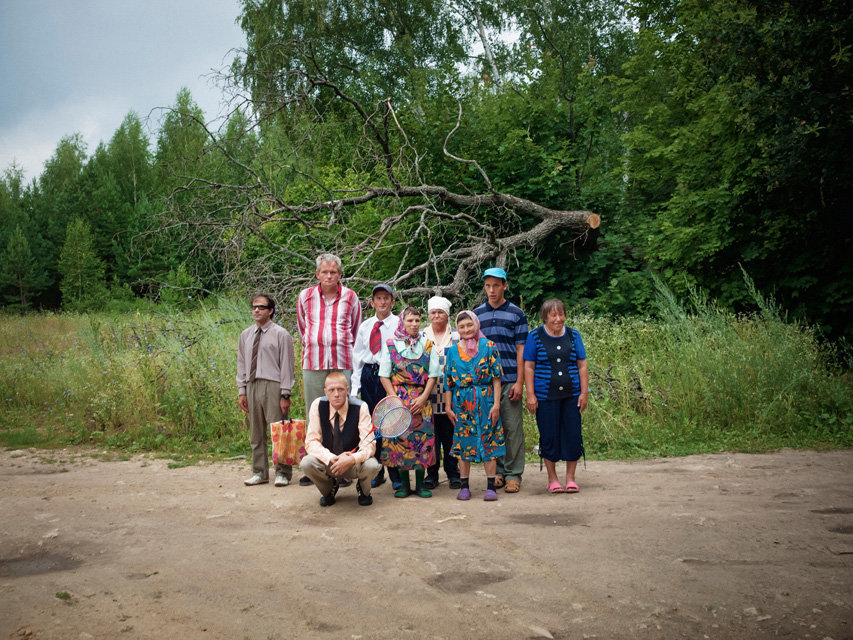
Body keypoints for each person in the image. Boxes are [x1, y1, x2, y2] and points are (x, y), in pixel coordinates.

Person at [296, 253, 362, 485]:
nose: (329, 276)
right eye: (324, 272)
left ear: (340, 274)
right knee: (315, 412)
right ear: (317, 274)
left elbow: (355, 329)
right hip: (313, 362)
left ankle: (341, 467)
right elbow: (303, 328)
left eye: (333, 272)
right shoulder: (305, 296)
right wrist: (318, 341)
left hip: (342, 361)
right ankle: (314, 466)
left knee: (343, 414)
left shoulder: (351, 297)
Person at [523, 298, 589, 493]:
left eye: (561, 314)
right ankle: (552, 479)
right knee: (549, 436)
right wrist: (531, 394)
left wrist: (584, 393)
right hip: (545, 396)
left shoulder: (573, 336)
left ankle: (570, 478)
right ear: (545, 317)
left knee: (573, 435)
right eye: (553, 315)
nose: (558, 319)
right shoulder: (534, 337)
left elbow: (582, 365)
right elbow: (529, 366)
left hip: (572, 395)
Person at [474, 267, 529, 493]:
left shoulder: (517, 314)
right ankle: (496, 471)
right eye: (488, 286)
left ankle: (514, 473)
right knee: (491, 427)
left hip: (509, 379)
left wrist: (520, 382)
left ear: (505, 285)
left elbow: (521, 350)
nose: (491, 290)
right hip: (486, 382)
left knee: (512, 427)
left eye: (496, 285)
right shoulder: (476, 314)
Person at [378, 306, 440, 498]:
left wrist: (423, 398)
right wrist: (395, 399)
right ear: (402, 322)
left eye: (417, 320)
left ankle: (421, 485)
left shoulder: (428, 345)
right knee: (400, 443)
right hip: (398, 402)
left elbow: (433, 376)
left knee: (421, 442)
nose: (414, 324)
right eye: (410, 320)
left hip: (422, 402)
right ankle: (404, 486)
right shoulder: (391, 345)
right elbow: (384, 376)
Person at [236, 293, 296, 487]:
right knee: (256, 432)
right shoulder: (245, 335)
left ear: (270, 311)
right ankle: (260, 472)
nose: (256, 310)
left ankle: (283, 473)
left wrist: (285, 393)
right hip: (252, 384)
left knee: (279, 430)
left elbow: (286, 365)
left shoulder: (281, 334)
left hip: (273, 385)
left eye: (261, 307)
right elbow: (242, 363)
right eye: (254, 307)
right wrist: (242, 390)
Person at [444, 311, 503, 501]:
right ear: (457, 330)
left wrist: (496, 405)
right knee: (464, 442)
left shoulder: (489, 346)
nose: (466, 329)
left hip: (486, 401)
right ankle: (464, 486)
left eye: (469, 325)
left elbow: (496, 379)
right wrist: (448, 407)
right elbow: (448, 383)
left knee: (489, 440)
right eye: (461, 327)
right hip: (463, 403)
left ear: (476, 325)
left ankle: (491, 486)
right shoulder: (452, 351)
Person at [300, 372, 381, 506]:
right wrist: (330, 458)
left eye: (340, 389)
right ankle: (329, 489)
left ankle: (364, 490)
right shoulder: (317, 405)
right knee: (306, 463)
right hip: (330, 462)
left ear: (347, 390)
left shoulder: (361, 407)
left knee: (372, 465)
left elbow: (369, 445)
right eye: (331, 390)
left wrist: (351, 459)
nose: (336, 394)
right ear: (325, 392)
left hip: (353, 462)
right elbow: (311, 442)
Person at [351, 283, 399, 488]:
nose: (382, 302)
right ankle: (377, 469)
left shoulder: (399, 324)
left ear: (392, 302)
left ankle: (397, 474)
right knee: (372, 424)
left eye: (386, 298)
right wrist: (355, 387)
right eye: (378, 298)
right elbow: (358, 358)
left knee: (392, 421)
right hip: (369, 375)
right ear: (372, 303)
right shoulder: (365, 326)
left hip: (389, 376)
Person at [422, 296, 461, 490]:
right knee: (431, 437)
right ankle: (432, 474)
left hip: (450, 396)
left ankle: (453, 473)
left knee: (450, 436)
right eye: (433, 312)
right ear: (429, 315)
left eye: (440, 312)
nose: (436, 316)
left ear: (447, 315)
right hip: (428, 397)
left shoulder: (456, 336)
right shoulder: (421, 335)